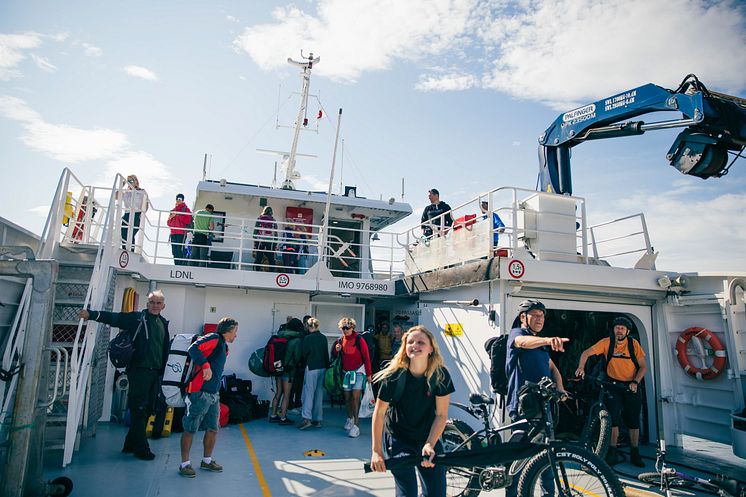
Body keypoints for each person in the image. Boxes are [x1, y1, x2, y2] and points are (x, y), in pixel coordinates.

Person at [78, 290, 170, 461]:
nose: (155, 306)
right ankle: (141, 449)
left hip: (155, 372)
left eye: (158, 303)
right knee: (139, 408)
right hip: (139, 370)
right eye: (152, 302)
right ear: (147, 304)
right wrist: (91, 315)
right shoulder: (137, 319)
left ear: (163, 306)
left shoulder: (162, 323)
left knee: (149, 408)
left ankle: (129, 444)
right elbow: (115, 318)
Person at [370, 325, 455, 497]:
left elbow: (441, 415)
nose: (415, 345)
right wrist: (376, 451)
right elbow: (379, 413)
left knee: (436, 492)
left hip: (427, 435)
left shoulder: (441, 375)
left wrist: (430, 444)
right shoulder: (393, 375)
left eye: (421, 342)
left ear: (431, 348)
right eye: (410, 342)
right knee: (407, 492)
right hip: (399, 437)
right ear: (404, 346)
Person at [505, 299, 567, 497]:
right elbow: (522, 343)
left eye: (542, 315)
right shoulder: (518, 334)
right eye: (535, 315)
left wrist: (561, 388)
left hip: (543, 407)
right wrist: (548, 340)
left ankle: (547, 495)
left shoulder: (540, 345)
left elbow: (552, 368)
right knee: (519, 458)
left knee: (547, 456)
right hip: (524, 407)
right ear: (523, 317)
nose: (540, 318)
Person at [575, 315, 647, 467]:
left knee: (633, 421)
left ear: (627, 331)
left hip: (631, 386)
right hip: (613, 385)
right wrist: (581, 367)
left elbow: (643, 367)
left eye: (622, 328)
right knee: (613, 419)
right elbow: (586, 353)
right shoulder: (607, 342)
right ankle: (612, 452)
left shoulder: (633, 345)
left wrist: (635, 382)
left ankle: (635, 452)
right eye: (617, 328)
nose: (619, 331)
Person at [179, 317, 238, 478]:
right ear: (228, 330)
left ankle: (206, 461)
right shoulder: (214, 338)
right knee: (190, 428)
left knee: (213, 428)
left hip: (213, 394)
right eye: (235, 331)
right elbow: (193, 349)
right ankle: (184, 464)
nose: (236, 335)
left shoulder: (224, 346)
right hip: (199, 392)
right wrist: (205, 366)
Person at [332, 317, 372, 438]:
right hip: (346, 373)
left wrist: (369, 374)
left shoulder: (359, 339)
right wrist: (336, 350)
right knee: (347, 398)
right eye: (343, 328)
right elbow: (335, 356)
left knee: (355, 398)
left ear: (352, 327)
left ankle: (356, 425)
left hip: (359, 372)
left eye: (347, 328)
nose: (345, 330)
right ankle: (350, 418)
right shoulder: (340, 340)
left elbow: (366, 357)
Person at [269, 317, 305, 425]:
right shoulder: (296, 340)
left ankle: (273, 415)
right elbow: (297, 356)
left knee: (278, 392)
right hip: (289, 371)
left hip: (277, 368)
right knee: (287, 395)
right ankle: (283, 418)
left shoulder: (279, 335)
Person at [298, 317, 329, 429]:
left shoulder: (308, 338)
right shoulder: (324, 338)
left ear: (309, 326)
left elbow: (304, 354)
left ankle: (306, 418)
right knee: (319, 393)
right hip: (322, 367)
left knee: (308, 393)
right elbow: (326, 354)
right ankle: (318, 419)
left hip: (311, 367)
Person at [120, 174, 148, 250]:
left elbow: (146, 205)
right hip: (127, 214)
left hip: (136, 214)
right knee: (123, 234)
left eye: (131, 180)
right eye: (128, 181)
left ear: (136, 182)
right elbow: (115, 196)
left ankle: (131, 251)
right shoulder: (126, 192)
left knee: (131, 234)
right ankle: (124, 250)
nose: (129, 182)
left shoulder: (142, 192)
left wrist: (141, 215)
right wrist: (121, 187)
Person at [167, 193, 192, 266]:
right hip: (173, 233)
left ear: (183, 200)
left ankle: (181, 265)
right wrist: (171, 217)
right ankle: (176, 265)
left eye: (180, 199)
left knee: (179, 249)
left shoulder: (186, 210)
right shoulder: (173, 210)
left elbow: (187, 221)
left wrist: (178, 215)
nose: (178, 200)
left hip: (181, 233)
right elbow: (168, 223)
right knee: (174, 251)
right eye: (177, 199)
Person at [253, 206, 277, 271]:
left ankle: (257, 270)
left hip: (261, 241)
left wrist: (255, 240)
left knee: (259, 256)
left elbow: (255, 231)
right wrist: (275, 243)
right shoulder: (273, 220)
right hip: (270, 242)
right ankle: (271, 271)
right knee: (271, 257)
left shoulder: (259, 219)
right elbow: (276, 233)